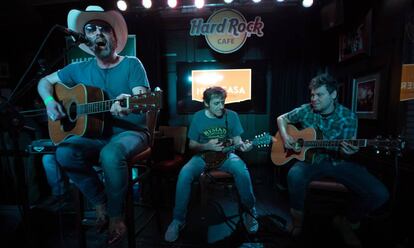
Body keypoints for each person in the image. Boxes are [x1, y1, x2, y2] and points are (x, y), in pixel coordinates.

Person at [37, 5, 151, 244]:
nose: (98, 33)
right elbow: (44, 82)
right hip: (96, 135)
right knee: (64, 152)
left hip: (130, 132)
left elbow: (144, 100)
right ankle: (100, 202)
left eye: (104, 29)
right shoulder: (77, 69)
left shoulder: (132, 64)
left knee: (111, 153)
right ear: (85, 39)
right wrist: (49, 101)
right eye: (91, 29)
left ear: (115, 36)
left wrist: (130, 103)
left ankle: (116, 217)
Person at [276, 73, 389, 246]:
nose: (314, 99)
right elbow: (282, 118)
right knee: (294, 175)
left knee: (380, 194)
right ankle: (298, 221)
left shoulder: (348, 117)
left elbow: (345, 152)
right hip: (311, 160)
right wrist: (285, 137)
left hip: (339, 162)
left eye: (319, 94)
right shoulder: (306, 109)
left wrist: (348, 152)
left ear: (333, 95)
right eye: (312, 95)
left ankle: (346, 220)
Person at [164, 86, 259, 242]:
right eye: (216, 103)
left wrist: (244, 146)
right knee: (185, 173)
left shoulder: (232, 116)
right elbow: (192, 145)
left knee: (242, 171)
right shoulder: (198, 117)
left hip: (227, 156)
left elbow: (238, 142)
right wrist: (207, 146)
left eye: (222, 102)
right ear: (206, 103)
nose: (221, 106)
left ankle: (250, 212)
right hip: (202, 156)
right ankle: (178, 220)